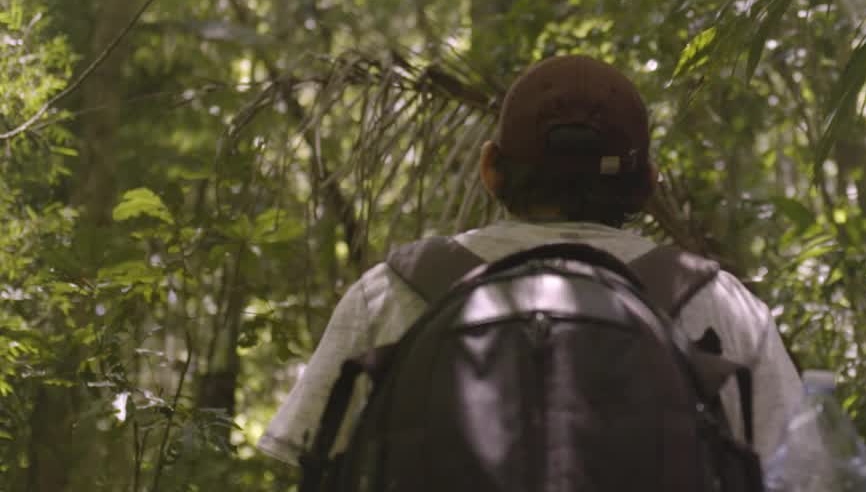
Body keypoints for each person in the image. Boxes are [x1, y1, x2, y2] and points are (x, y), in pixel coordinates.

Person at [257, 54, 806, 471]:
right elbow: (804, 475)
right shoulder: (718, 304)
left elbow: (308, 461)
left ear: (491, 169)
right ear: (645, 186)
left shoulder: (393, 292)